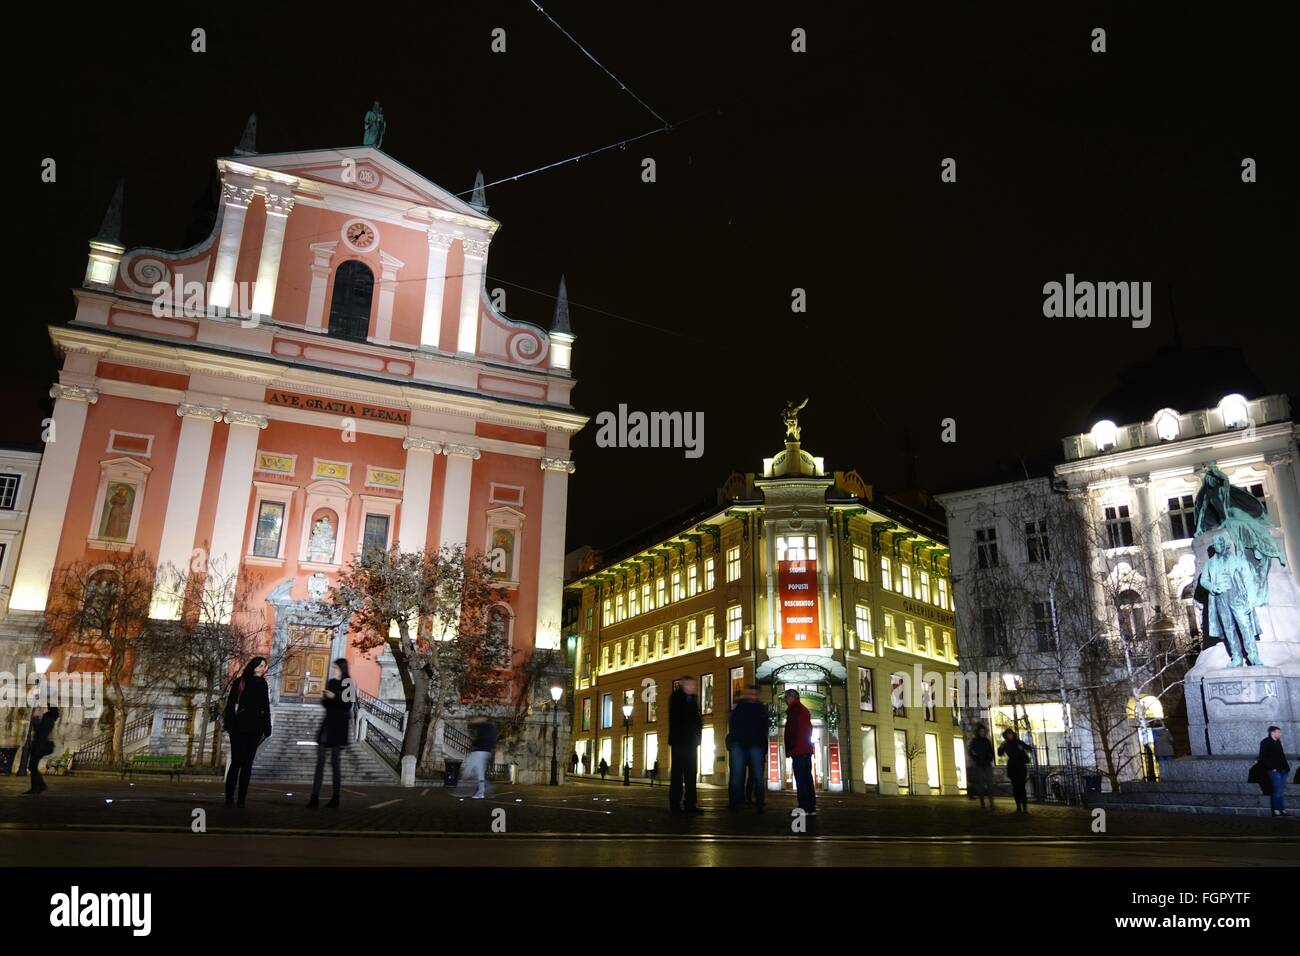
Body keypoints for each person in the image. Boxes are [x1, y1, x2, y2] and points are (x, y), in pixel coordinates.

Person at [223, 657, 273, 808]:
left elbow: (266, 707)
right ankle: (229, 797)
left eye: (264, 666)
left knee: (247, 765)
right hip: (238, 728)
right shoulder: (240, 682)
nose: (263, 668)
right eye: (261, 665)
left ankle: (241, 798)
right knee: (236, 763)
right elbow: (231, 704)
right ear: (254, 666)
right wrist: (230, 725)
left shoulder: (263, 684)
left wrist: (267, 727)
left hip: (255, 729)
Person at [308, 659, 352, 809]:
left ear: (341, 668)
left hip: (339, 727)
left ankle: (336, 798)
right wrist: (325, 698)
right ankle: (314, 797)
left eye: (335, 667)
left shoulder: (348, 683)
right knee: (319, 762)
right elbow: (326, 704)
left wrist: (334, 697)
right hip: (327, 724)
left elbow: (348, 704)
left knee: (335, 763)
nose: (333, 669)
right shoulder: (332, 682)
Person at [729, 685, 768, 812]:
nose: (751, 696)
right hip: (742, 745)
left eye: (753, 693)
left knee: (756, 776)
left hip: (753, 745)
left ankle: (759, 803)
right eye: (749, 693)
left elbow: (764, 729)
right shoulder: (740, 708)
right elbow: (733, 726)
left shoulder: (759, 708)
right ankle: (736, 803)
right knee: (738, 776)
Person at [668, 677, 703, 813]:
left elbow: (696, 719)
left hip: (690, 742)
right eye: (691, 684)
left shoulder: (692, 698)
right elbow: (682, 719)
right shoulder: (677, 697)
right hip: (680, 741)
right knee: (678, 773)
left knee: (691, 773)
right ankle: (675, 803)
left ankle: (690, 803)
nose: (694, 687)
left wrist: (697, 736)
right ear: (683, 685)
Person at [784, 688, 816, 816]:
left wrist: (790, 748)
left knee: (801, 780)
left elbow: (791, 730)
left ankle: (802, 808)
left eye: (786, 698)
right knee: (808, 779)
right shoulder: (804, 710)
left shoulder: (794, 709)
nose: (786, 701)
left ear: (791, 697)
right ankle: (811, 808)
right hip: (806, 749)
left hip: (798, 749)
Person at [25, 706, 60, 795]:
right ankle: (40, 786)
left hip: (40, 746)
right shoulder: (48, 718)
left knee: (32, 766)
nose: (43, 709)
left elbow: (40, 730)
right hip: (39, 745)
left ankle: (37, 787)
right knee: (32, 766)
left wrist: (35, 720)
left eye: (46, 707)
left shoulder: (48, 718)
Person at [1258, 726, 1291, 817]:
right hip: (1274, 771)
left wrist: (1287, 767)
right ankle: (1276, 810)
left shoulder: (1278, 742)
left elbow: (1282, 755)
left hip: (1283, 770)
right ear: (1272, 733)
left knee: (1280, 791)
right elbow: (1262, 757)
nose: (1280, 734)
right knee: (1277, 791)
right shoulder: (1265, 742)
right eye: (1278, 732)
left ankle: (1282, 810)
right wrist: (1272, 768)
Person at [463, 715, 497, 799]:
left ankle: (481, 792)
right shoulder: (489, 727)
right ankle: (485, 788)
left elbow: (477, 736)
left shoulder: (484, 726)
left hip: (479, 752)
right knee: (477, 772)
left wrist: (472, 739)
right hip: (484, 751)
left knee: (471, 771)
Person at [998, 728, 1032, 813]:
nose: (1009, 736)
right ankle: (1018, 806)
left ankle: (1024, 806)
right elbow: (999, 753)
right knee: (1016, 788)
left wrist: (1022, 748)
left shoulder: (1018, 742)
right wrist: (1001, 747)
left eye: (1010, 734)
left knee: (1022, 787)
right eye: (1008, 734)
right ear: (1006, 736)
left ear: (1013, 734)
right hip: (1012, 768)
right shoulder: (1005, 744)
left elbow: (1029, 748)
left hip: (1020, 767)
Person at [968, 724, 996, 809]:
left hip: (987, 765)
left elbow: (991, 751)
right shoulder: (975, 741)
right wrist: (976, 759)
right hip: (979, 765)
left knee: (990, 784)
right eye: (981, 731)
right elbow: (971, 752)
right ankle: (982, 803)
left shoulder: (987, 741)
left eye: (984, 731)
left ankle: (991, 803)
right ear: (978, 732)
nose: (982, 733)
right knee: (980, 785)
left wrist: (990, 758)